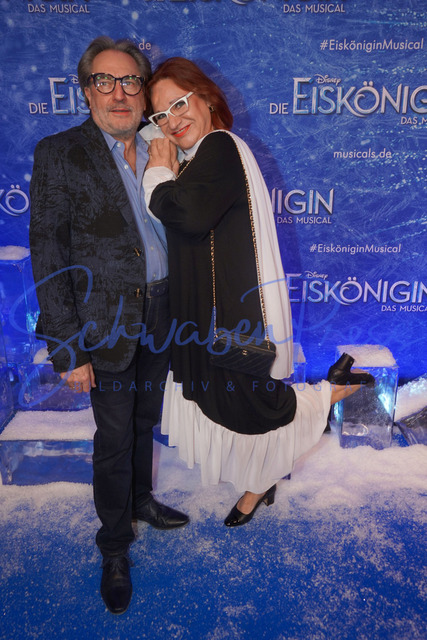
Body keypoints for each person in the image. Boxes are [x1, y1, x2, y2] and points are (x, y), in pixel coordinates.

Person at [141, 57, 374, 527]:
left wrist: (157, 172)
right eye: (160, 115)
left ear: (207, 99)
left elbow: (185, 214)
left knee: (253, 409)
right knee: (230, 404)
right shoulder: (199, 158)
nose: (171, 121)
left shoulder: (219, 146)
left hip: (230, 317)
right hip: (211, 316)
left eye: (179, 104)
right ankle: (262, 477)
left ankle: (331, 392)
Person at [29, 38, 189, 616]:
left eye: (130, 81)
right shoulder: (59, 153)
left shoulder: (163, 144)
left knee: (145, 420)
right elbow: (48, 253)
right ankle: (114, 546)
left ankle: (141, 500)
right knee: (115, 436)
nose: (119, 94)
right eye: (105, 81)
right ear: (86, 90)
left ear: (144, 91)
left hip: (165, 312)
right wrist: (68, 348)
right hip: (104, 325)